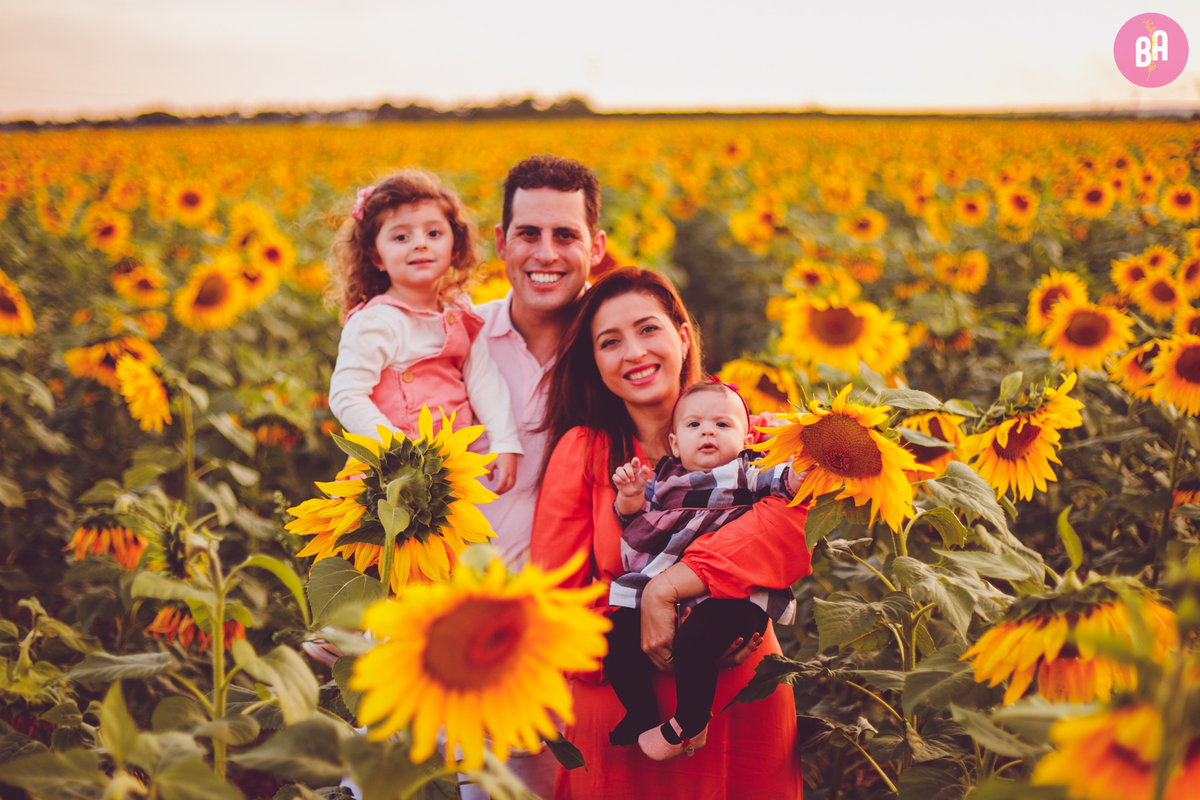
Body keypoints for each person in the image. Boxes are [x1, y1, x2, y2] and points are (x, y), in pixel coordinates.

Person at [532, 267, 811, 799]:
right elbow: (555, 595)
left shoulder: (753, 432)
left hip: (738, 694)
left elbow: (789, 532)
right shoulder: (585, 450)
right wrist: (634, 638)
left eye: (648, 329)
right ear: (595, 362)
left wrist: (670, 588)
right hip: (621, 705)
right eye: (610, 342)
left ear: (682, 336)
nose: (633, 352)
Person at [464, 155, 608, 797]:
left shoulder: (616, 352)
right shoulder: (451, 338)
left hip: (556, 648)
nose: (544, 253)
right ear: (501, 242)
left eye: (565, 235)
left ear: (595, 247)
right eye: (528, 234)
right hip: (439, 624)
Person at [605, 380, 802, 760]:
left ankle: (690, 722)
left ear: (746, 439)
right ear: (676, 444)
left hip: (731, 594)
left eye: (722, 425)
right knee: (617, 639)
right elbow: (636, 522)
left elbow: (779, 481)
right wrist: (630, 496)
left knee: (696, 642)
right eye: (694, 425)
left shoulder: (745, 471)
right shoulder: (663, 479)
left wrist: (798, 476)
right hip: (662, 590)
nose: (708, 431)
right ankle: (641, 710)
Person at [327, 169, 522, 492]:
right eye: (401, 237)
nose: (419, 244)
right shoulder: (375, 322)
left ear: (455, 245)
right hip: (389, 479)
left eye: (433, 234)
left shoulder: (458, 312)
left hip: (449, 472)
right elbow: (346, 395)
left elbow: (483, 380)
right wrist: (398, 452)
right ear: (376, 256)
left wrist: (504, 440)